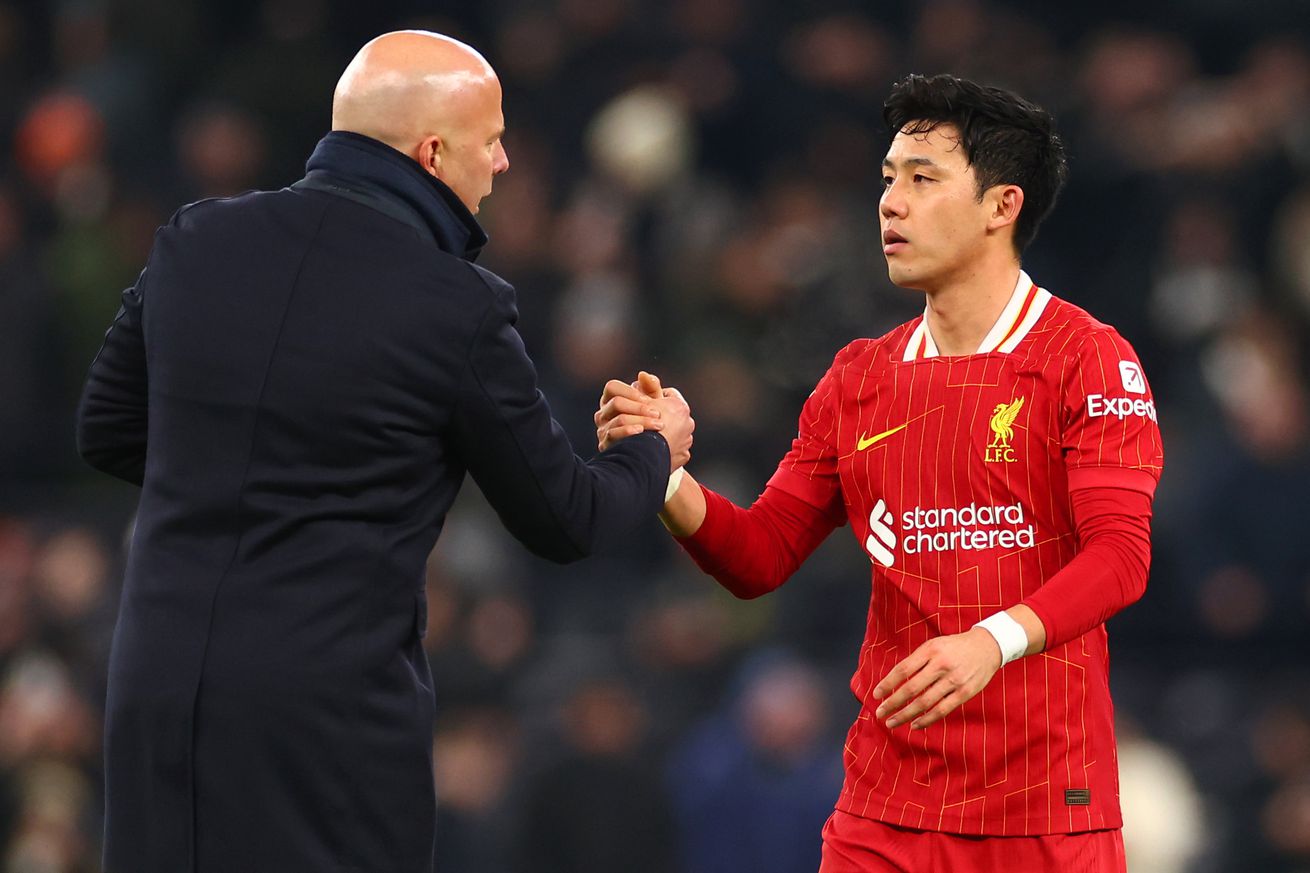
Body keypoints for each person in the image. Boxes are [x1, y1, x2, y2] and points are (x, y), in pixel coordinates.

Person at [75, 30, 693, 873]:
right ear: (432, 152)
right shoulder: (457, 306)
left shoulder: (195, 239)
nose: (506, 162)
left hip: (157, 683)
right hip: (327, 716)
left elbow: (106, 430)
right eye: (493, 139)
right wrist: (654, 452)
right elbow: (566, 519)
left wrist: (241, 468)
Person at [598, 73, 1163, 871]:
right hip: (884, 812)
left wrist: (990, 643)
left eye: (923, 179)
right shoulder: (860, 376)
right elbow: (760, 555)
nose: (891, 203)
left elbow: (1119, 557)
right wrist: (663, 474)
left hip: (1041, 811)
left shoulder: (1087, 357)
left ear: (1003, 205)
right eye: (889, 179)